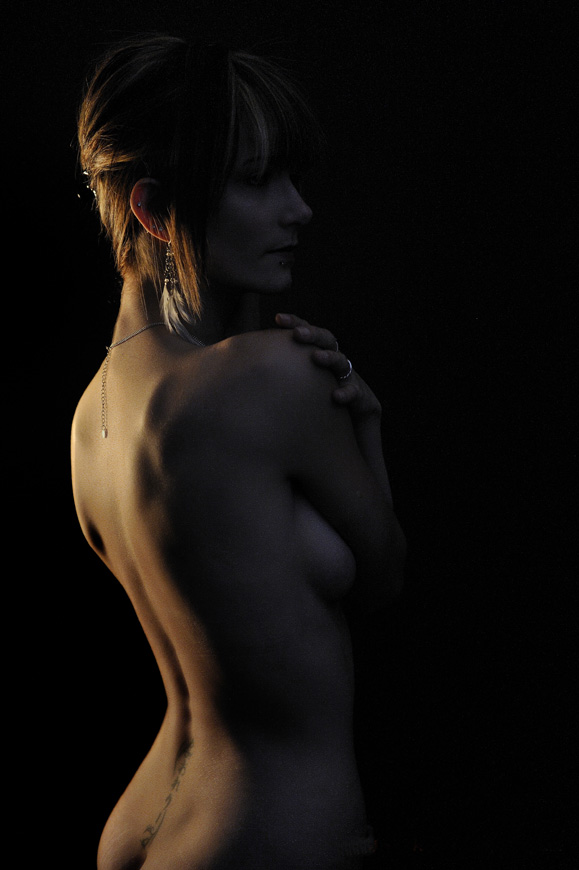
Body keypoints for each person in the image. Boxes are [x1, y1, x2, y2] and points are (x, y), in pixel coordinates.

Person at [71, 33, 405, 870]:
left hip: (138, 829)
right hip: (261, 829)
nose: (299, 209)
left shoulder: (88, 422)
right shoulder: (271, 378)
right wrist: (365, 427)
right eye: (258, 181)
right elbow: (385, 578)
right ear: (154, 209)